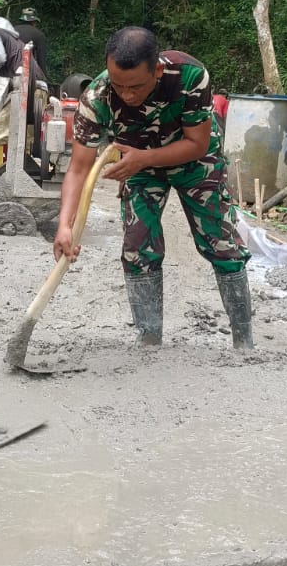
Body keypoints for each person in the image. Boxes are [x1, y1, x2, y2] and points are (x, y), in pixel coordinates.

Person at [53, 27, 254, 350]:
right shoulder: (98, 97)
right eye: (120, 87)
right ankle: (149, 339)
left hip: (193, 159)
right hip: (137, 162)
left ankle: (244, 341)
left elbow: (197, 144)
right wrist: (65, 225)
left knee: (221, 243)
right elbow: (78, 169)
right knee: (137, 247)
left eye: (136, 87)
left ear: (157, 70)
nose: (128, 96)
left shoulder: (189, 76)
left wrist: (145, 159)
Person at [0, 4, 48, 175]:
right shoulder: (11, 36)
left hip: (23, 89)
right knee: (24, 141)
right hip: (38, 88)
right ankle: (24, 180)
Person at [14, 7, 50, 77]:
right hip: (27, 71)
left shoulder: (11, 30)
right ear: (34, 21)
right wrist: (45, 77)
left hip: (9, 69)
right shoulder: (39, 34)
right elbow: (41, 60)